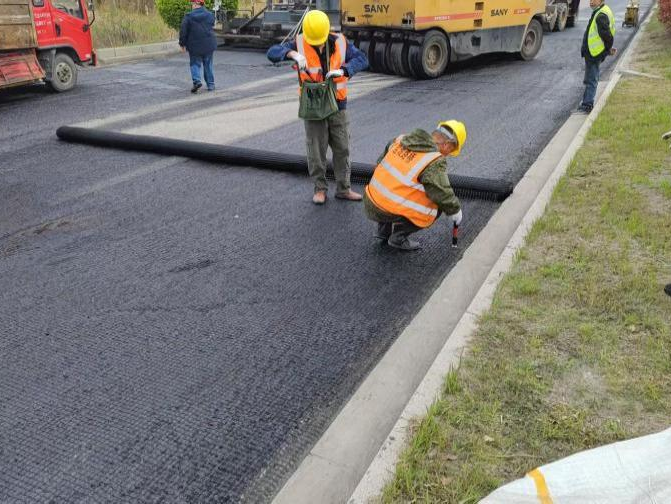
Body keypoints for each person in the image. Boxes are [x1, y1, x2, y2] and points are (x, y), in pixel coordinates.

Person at [267, 10, 368, 205]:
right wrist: (292, 54)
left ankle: (344, 189)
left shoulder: (340, 42)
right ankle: (320, 189)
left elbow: (362, 59)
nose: (317, 44)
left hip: (338, 105)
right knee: (316, 150)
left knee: (342, 148)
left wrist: (344, 70)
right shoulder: (299, 43)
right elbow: (272, 53)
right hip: (313, 106)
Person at [363, 121, 466, 251]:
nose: (447, 154)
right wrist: (454, 210)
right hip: (386, 209)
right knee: (436, 205)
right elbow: (441, 191)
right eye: (451, 151)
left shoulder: (401, 140)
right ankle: (398, 238)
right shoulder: (434, 160)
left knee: (394, 184)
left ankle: (383, 231)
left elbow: (380, 162)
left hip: (370, 199)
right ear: (447, 144)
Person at [577, 0, 616, 113]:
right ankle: (586, 102)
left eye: (594, 0)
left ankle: (587, 105)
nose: (591, 2)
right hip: (593, 52)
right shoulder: (601, 11)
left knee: (591, 79)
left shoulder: (600, 16)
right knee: (590, 78)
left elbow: (608, 37)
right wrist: (607, 50)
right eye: (590, 0)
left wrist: (607, 50)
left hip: (594, 53)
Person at [179, 0, 217, 93]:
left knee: (195, 63)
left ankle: (197, 81)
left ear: (196, 4)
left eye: (192, 3)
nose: (192, 5)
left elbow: (183, 31)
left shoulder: (188, 16)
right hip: (208, 44)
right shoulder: (210, 15)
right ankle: (211, 85)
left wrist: (182, 44)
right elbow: (212, 24)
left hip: (194, 45)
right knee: (208, 65)